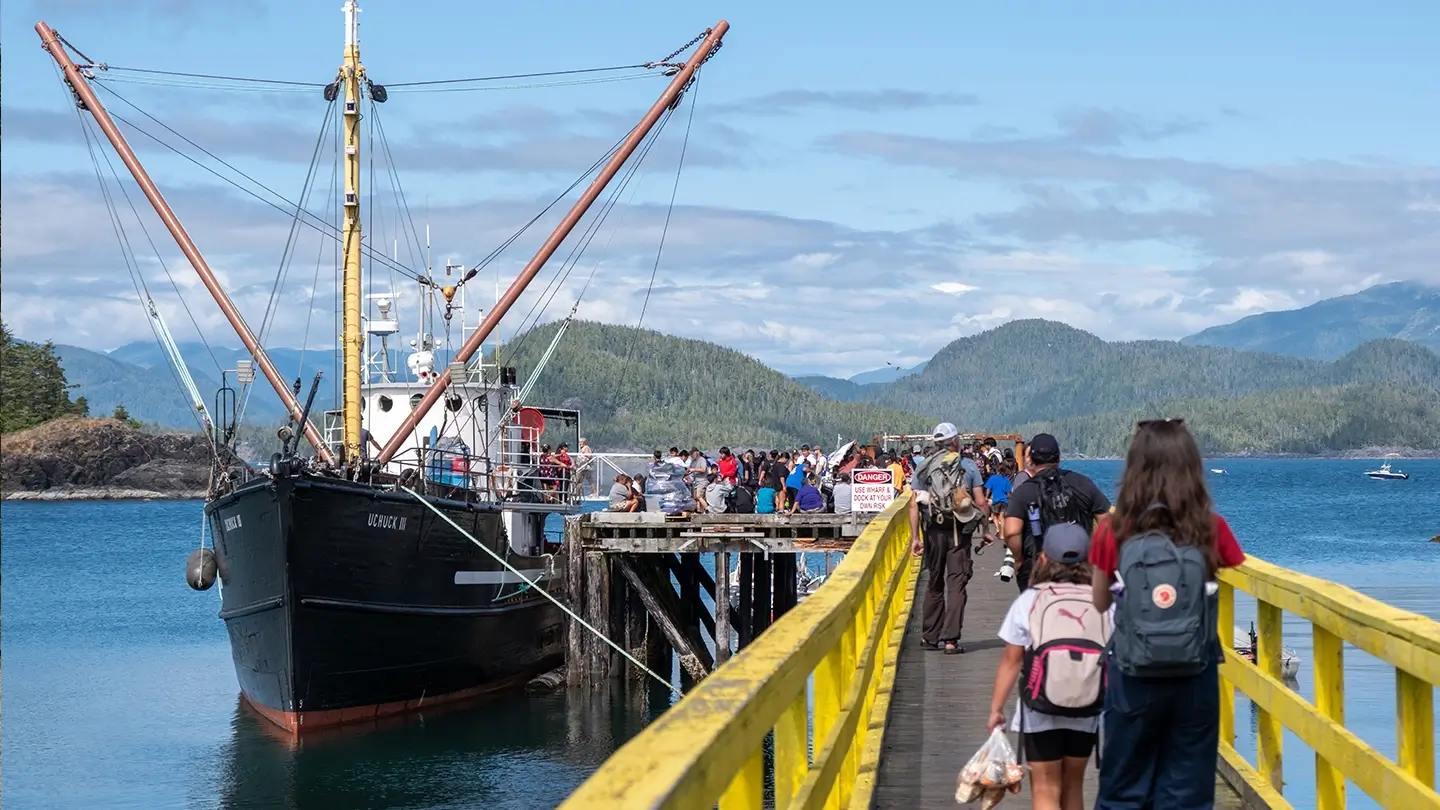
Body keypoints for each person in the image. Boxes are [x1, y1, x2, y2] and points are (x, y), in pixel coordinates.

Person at [1090, 419, 1246, 810]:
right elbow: (1232, 566)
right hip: (1195, 671)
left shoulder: (1114, 529)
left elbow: (1099, 602)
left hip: (1133, 671)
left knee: (1123, 789)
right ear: (1191, 468)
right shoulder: (1210, 528)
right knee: (1187, 793)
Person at [988, 523, 1109, 810]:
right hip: (1088, 705)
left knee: (1045, 788)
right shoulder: (1104, 600)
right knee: (1073, 786)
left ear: (1043, 559)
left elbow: (1012, 660)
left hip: (1039, 707)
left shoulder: (1030, 599)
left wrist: (996, 709)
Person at [908, 421, 986, 654]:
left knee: (934, 582)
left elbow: (914, 504)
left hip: (933, 530)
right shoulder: (968, 466)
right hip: (959, 532)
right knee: (956, 583)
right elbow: (980, 502)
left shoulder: (925, 467)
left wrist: (915, 537)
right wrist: (987, 530)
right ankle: (951, 640)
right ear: (954, 441)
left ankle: (929, 637)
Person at [1002, 433, 1110, 594]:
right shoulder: (1083, 483)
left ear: (1030, 459)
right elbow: (1108, 523)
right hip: (1080, 566)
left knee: (1038, 613)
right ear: (1058, 457)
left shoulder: (1024, 491)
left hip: (1038, 566)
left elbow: (1011, 531)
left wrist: (1018, 560)